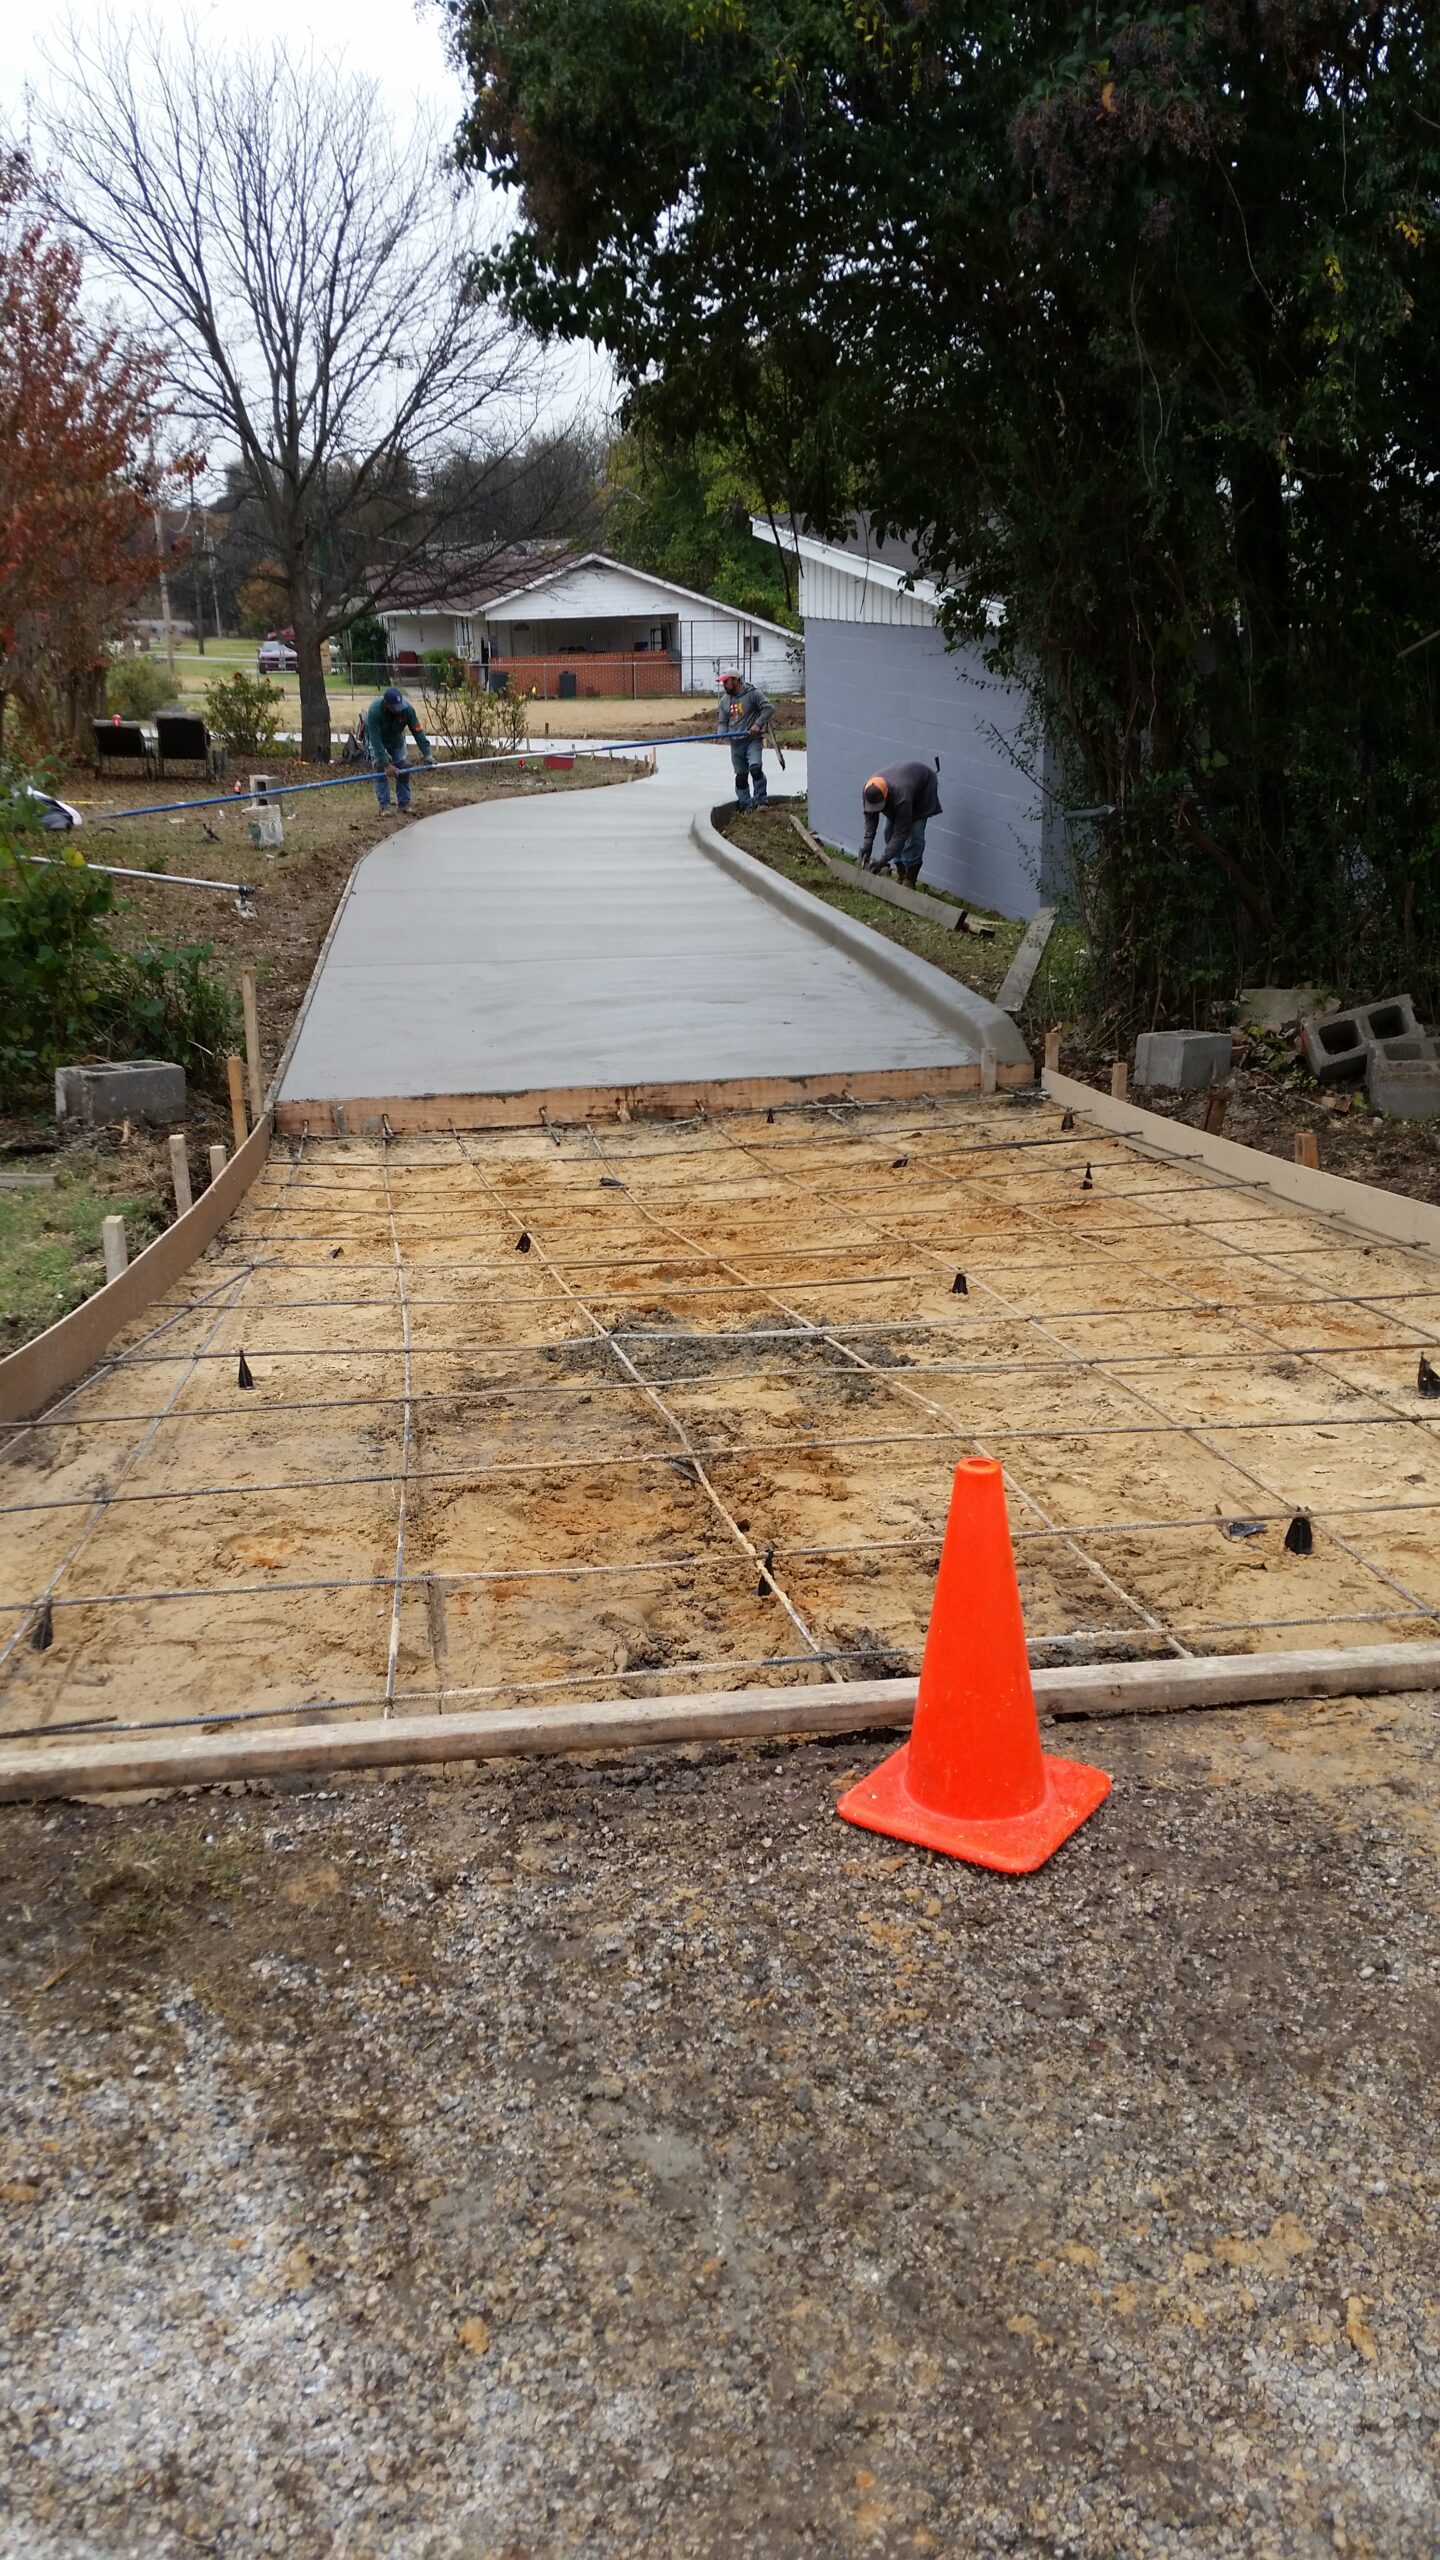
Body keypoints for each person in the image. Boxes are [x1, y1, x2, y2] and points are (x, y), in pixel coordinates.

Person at [859, 759, 942, 886]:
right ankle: (901, 870)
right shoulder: (868, 788)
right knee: (887, 831)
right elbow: (871, 816)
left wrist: (882, 861)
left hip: (923, 791)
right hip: (903, 788)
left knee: (914, 836)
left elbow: (900, 834)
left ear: (886, 796)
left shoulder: (902, 798)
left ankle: (910, 878)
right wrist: (867, 843)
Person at [364, 685, 432, 812]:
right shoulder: (374, 712)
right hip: (377, 739)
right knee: (379, 768)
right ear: (387, 705)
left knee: (404, 767)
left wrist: (427, 754)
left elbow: (417, 731)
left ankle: (404, 804)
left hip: (396, 738)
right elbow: (376, 741)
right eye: (396, 707)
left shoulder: (407, 710)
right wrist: (386, 764)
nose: (399, 709)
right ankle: (385, 806)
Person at [716, 668, 774, 808]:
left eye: (726, 682)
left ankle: (761, 802)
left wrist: (757, 724)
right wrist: (721, 733)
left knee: (755, 769)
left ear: (736, 680)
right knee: (741, 777)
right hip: (736, 743)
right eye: (723, 682)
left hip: (752, 740)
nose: (724, 685)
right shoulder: (724, 701)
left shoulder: (753, 694)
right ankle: (746, 807)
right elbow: (722, 721)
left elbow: (768, 708)